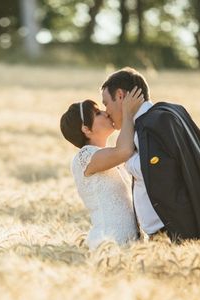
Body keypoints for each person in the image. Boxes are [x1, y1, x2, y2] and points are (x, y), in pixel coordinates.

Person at [100, 67, 200, 244]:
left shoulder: (155, 123)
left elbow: (157, 172)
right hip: (172, 233)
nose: (106, 112)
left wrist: (125, 158)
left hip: (174, 235)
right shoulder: (168, 113)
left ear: (120, 96)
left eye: (106, 103)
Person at [60, 88, 145, 249]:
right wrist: (127, 113)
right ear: (86, 129)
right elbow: (125, 150)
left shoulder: (109, 156)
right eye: (98, 113)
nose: (106, 113)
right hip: (108, 243)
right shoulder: (84, 158)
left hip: (131, 245)